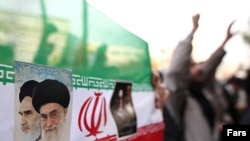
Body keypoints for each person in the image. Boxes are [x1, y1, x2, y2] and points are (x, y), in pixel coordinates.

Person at [162, 13, 236, 141]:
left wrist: (225, 41)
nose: (199, 68)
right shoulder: (178, 96)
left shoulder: (203, 90)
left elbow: (208, 68)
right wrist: (192, 32)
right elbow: (176, 72)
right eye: (192, 66)